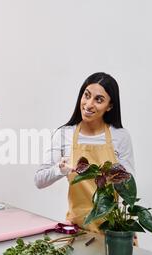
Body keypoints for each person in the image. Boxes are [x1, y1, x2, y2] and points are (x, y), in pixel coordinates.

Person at [34, 72, 135, 235]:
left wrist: (123, 230)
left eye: (99, 99)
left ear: (110, 106)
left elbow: (130, 187)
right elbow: (39, 180)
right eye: (86, 96)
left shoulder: (120, 136)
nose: (88, 104)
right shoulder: (64, 134)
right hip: (77, 230)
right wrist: (60, 170)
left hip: (112, 230)